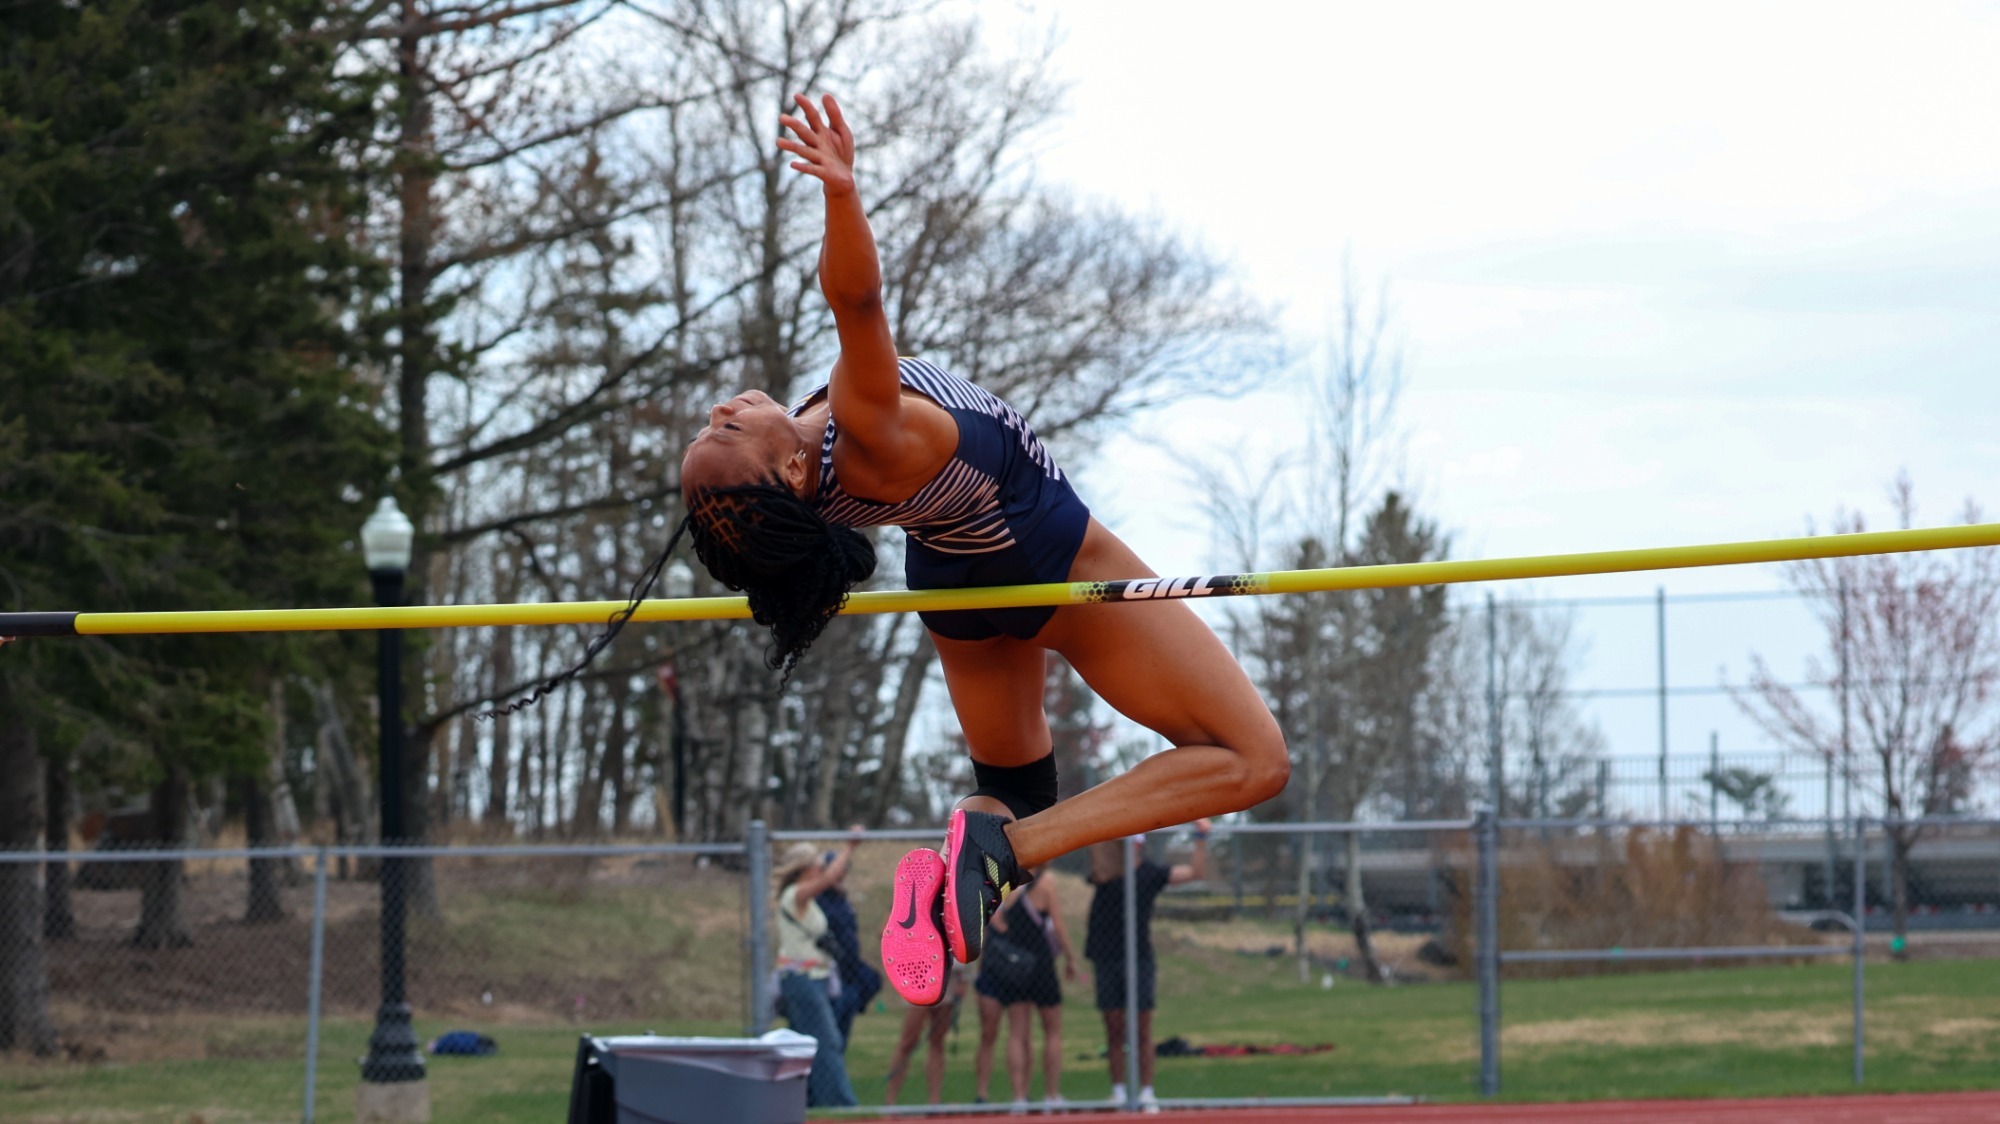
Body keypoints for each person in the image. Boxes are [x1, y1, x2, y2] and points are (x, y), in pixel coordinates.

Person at [669, 89, 1287, 1008]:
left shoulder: (800, 487)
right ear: (793, 472)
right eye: (727, 430)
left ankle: (954, 874)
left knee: (1012, 788)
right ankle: (1012, 850)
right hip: (1046, 557)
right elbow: (857, 299)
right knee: (1252, 760)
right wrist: (842, 194)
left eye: (711, 424)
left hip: (953, 584)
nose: (722, 408)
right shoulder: (866, 428)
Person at [1084, 820, 1211, 1111]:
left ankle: (1146, 1091)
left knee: (1142, 1028)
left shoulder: (1150, 873)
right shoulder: (1106, 872)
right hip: (1107, 956)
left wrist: (1200, 838)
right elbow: (1095, 852)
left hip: (1139, 957)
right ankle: (1118, 1091)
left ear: (1139, 846)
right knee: (1114, 1027)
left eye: (1133, 844)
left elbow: (1195, 872)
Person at [971, 870, 1074, 1108]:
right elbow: (1057, 924)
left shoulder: (1002, 883)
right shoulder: (1045, 883)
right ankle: (1051, 1095)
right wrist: (1070, 957)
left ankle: (1019, 1096)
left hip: (1016, 966)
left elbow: (995, 923)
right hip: (1040, 963)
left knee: (1017, 1032)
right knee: (1052, 1031)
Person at [772, 839, 859, 1107]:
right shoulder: (795, 894)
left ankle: (802, 1101)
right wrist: (850, 847)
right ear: (806, 868)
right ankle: (841, 1104)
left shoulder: (807, 899)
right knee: (827, 1041)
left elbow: (831, 880)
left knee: (802, 1046)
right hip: (802, 981)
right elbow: (830, 877)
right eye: (817, 864)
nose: (821, 868)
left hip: (815, 980)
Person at [813, 845, 883, 1045]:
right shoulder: (818, 900)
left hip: (849, 974)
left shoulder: (843, 900)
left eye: (843, 870)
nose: (841, 874)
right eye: (836, 869)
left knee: (872, 980)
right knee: (829, 1036)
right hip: (832, 975)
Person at [883, 961, 967, 1107]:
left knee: (937, 1041)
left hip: (948, 974)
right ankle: (890, 1102)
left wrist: (964, 979)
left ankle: (934, 1102)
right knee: (908, 1041)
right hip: (919, 971)